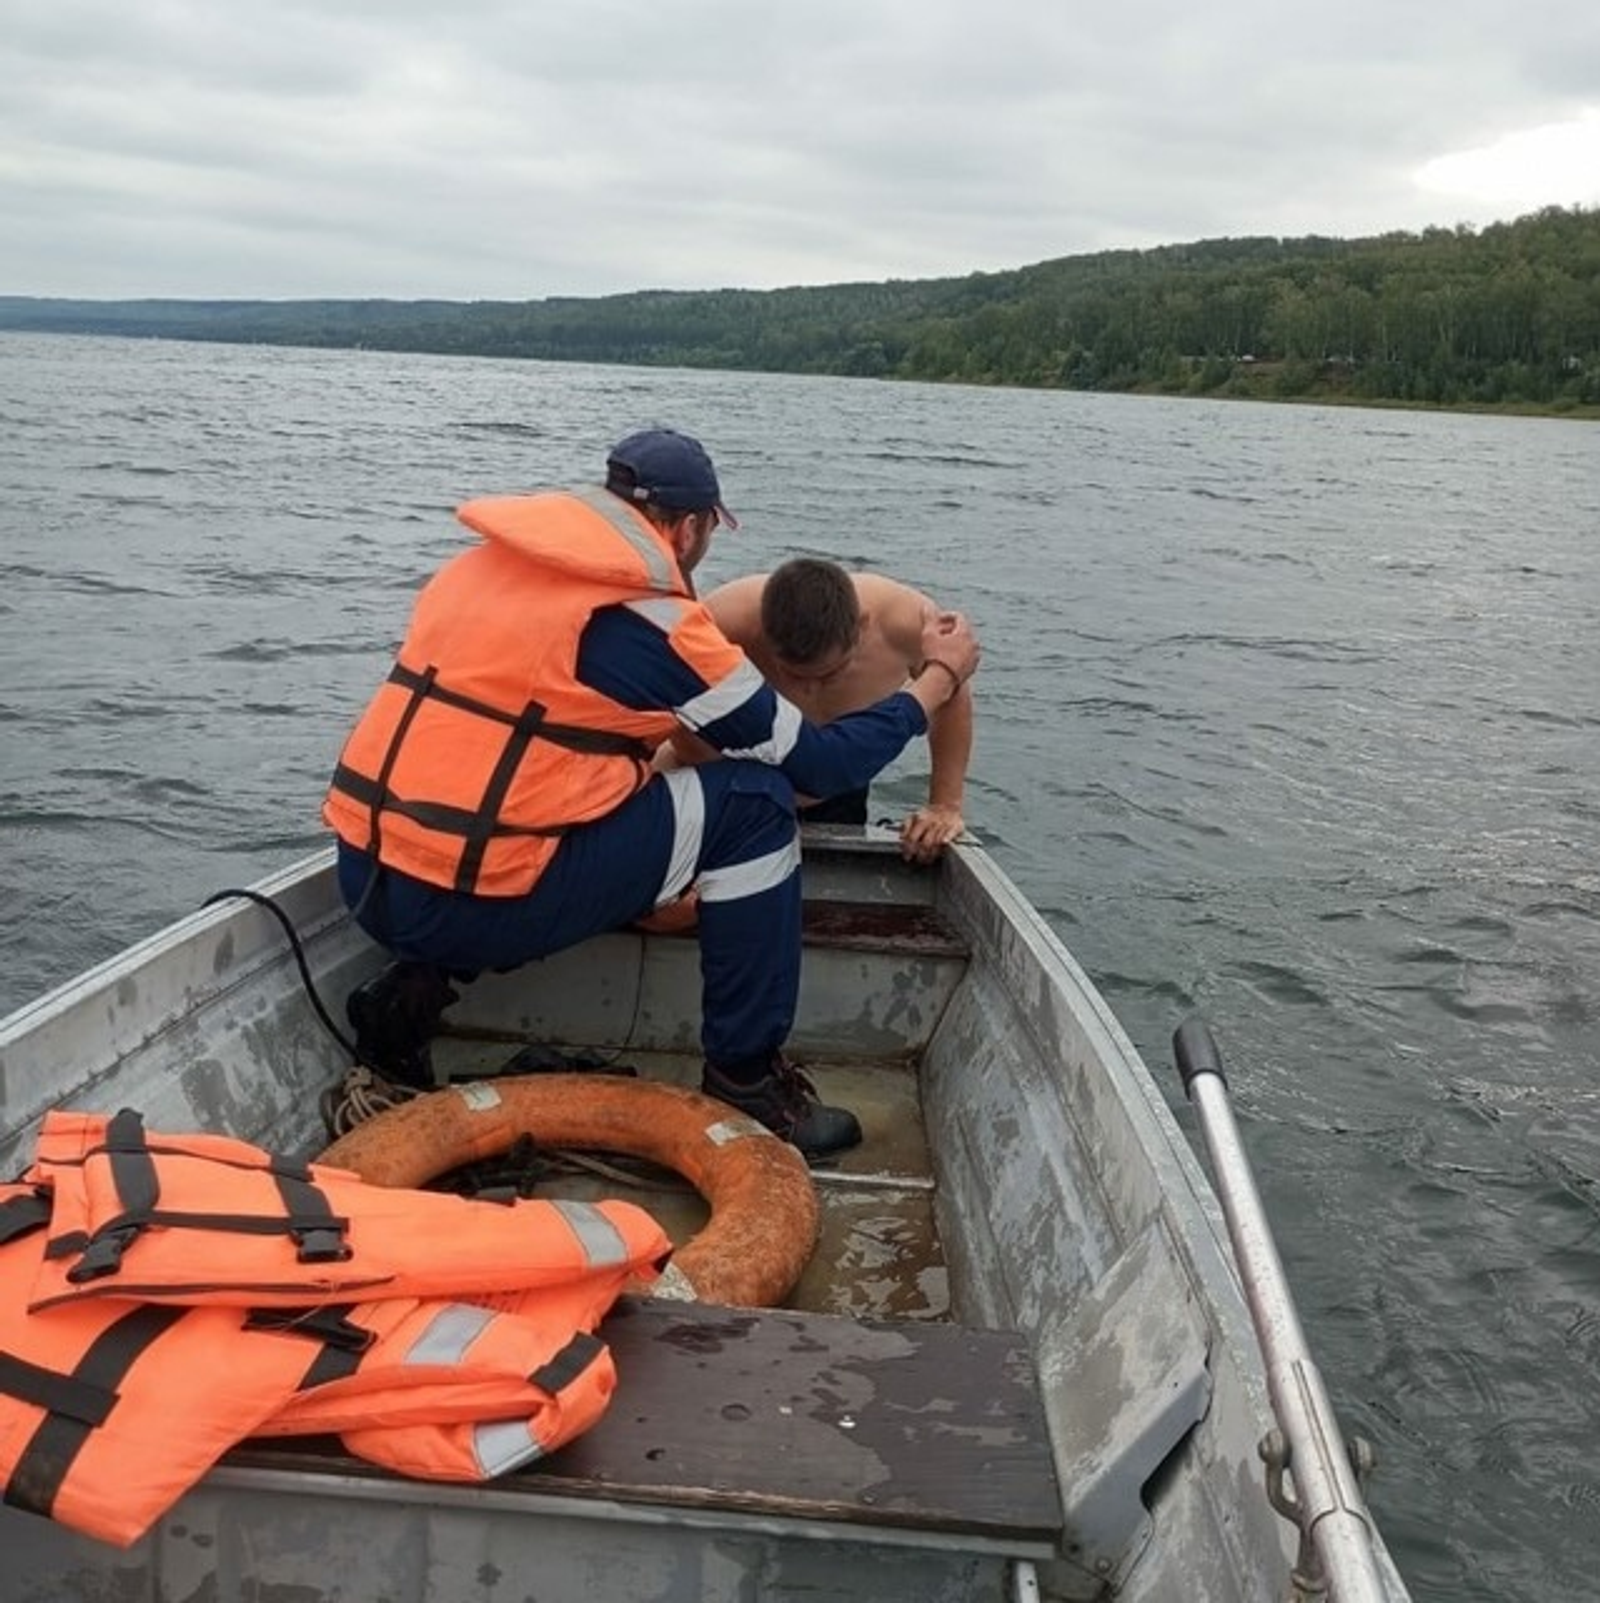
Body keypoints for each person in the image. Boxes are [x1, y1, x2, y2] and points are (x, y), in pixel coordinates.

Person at [322, 428, 980, 1159]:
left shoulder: (482, 572)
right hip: (477, 907)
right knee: (757, 802)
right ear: (692, 526)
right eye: (706, 533)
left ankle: (406, 998)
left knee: (533, 811)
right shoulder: (655, 621)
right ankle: (747, 1079)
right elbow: (819, 766)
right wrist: (939, 678)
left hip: (367, 877)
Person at [699, 559, 973, 862]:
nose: (808, 690)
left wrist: (945, 805)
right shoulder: (722, 621)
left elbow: (950, 688)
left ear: (861, 627)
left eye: (830, 675)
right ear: (762, 632)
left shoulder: (906, 622)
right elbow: (674, 714)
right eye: (793, 675)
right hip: (741, 770)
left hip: (842, 779)